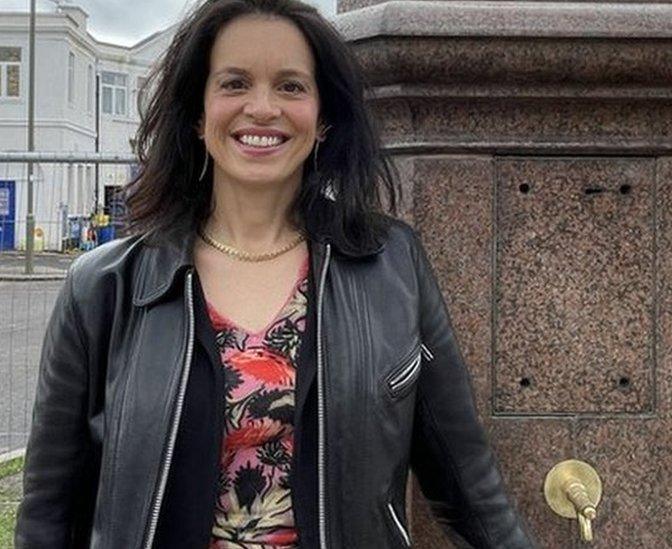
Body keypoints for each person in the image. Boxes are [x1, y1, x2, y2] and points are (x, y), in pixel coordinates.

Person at [15, 1, 535, 547]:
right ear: (198, 113)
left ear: (324, 117)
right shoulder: (102, 287)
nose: (262, 108)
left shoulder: (391, 265)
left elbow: (471, 488)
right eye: (235, 83)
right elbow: (50, 511)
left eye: (291, 87)